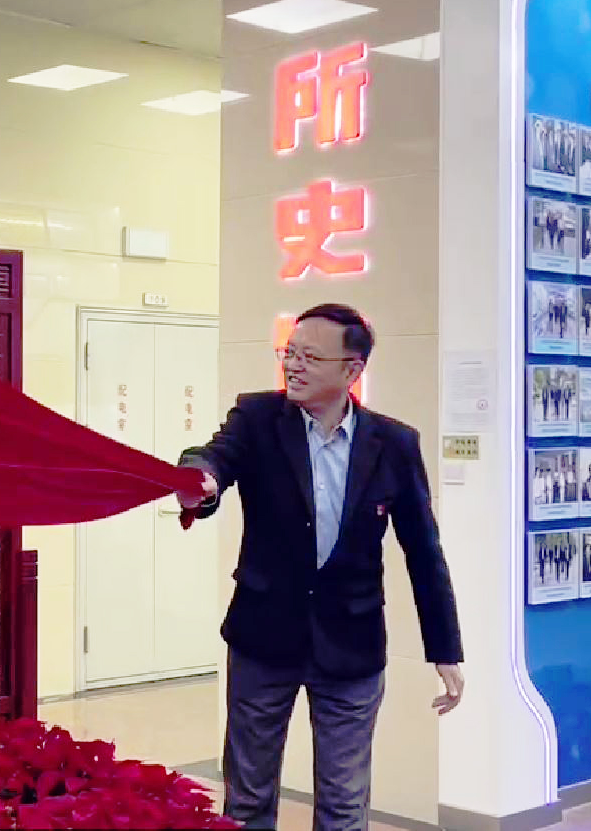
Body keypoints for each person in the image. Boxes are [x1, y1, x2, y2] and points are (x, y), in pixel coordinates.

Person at [176, 304, 465, 831]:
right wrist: (201, 481)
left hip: (352, 644)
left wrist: (444, 648)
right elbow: (214, 457)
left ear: (353, 369)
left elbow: (423, 552)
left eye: (310, 357)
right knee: (247, 797)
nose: (293, 365)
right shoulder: (258, 418)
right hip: (263, 638)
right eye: (289, 353)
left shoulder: (394, 444)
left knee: (344, 804)